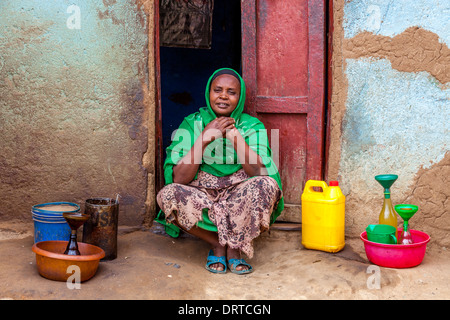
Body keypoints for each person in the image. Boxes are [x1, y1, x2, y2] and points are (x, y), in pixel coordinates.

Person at [155, 68, 284, 274]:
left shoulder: (252, 126)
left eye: (231, 92)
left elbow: (257, 172)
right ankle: (218, 244)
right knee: (168, 195)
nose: (223, 96)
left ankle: (234, 247)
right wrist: (205, 137)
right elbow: (179, 178)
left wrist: (235, 138)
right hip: (203, 196)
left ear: (240, 98)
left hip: (238, 196)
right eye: (217, 90)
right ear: (208, 93)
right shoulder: (192, 123)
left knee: (267, 185)